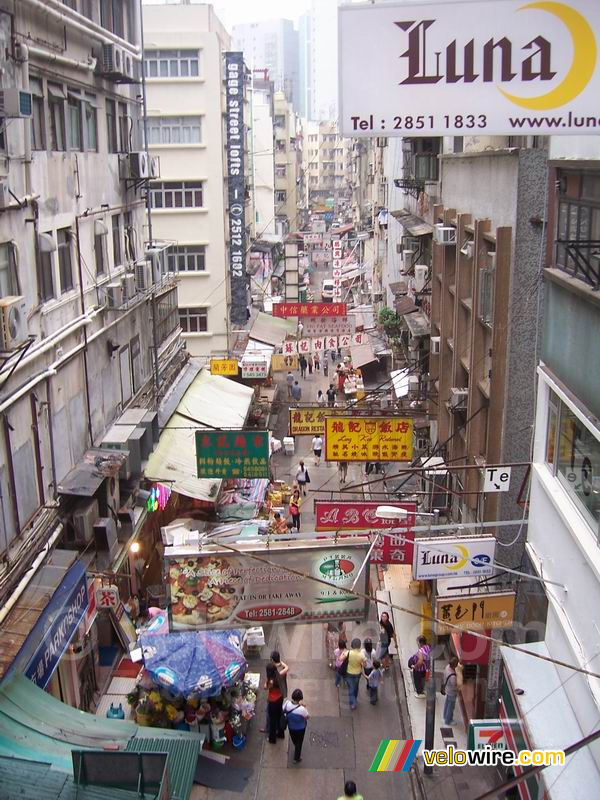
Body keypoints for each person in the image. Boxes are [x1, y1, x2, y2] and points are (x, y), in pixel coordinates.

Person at [283, 689, 309, 763]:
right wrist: (304, 707)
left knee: (294, 739)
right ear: (300, 698)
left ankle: (296, 745)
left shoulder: (287, 704)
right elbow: (307, 716)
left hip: (291, 727)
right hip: (301, 728)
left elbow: (283, 710)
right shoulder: (302, 709)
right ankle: (297, 757)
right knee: (299, 742)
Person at [264, 663, 285, 743]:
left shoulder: (271, 681)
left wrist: (267, 680)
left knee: (272, 720)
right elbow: (286, 668)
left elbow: (265, 687)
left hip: (273, 701)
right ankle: (281, 734)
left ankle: (272, 738)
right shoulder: (280, 676)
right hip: (280, 699)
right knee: (279, 717)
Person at [346, 638, 366, 710]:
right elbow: (365, 665)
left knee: (350, 688)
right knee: (356, 686)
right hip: (358, 673)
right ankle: (355, 697)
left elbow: (341, 659)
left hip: (349, 672)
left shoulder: (348, 652)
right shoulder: (361, 655)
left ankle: (353, 703)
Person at [442, 656, 463, 725]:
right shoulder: (453, 677)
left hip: (447, 689)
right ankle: (448, 720)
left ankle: (445, 716)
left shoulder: (447, 667)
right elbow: (455, 686)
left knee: (447, 703)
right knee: (451, 706)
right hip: (452, 692)